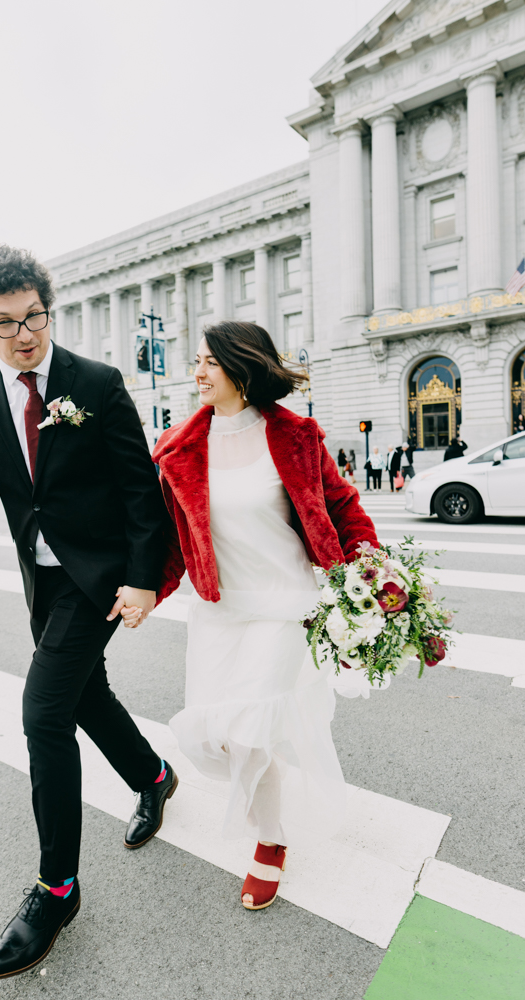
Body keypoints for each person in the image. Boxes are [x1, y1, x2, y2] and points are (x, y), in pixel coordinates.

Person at [0, 245, 175, 980]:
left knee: (44, 711)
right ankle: (154, 775)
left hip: (100, 577)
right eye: (4, 323)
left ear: (49, 308)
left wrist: (142, 580)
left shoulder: (95, 384)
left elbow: (140, 491)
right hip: (43, 579)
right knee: (83, 696)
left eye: (34, 316)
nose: (24, 333)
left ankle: (57, 889)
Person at [151, 321, 378, 912]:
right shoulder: (178, 448)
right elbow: (172, 539)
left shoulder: (295, 437)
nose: (196, 374)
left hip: (285, 608)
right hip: (219, 613)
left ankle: (270, 842)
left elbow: (341, 505)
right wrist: (145, 591)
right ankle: (270, 801)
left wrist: (375, 574)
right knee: (216, 737)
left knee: (247, 730)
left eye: (208, 363)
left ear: (241, 368)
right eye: (194, 362)